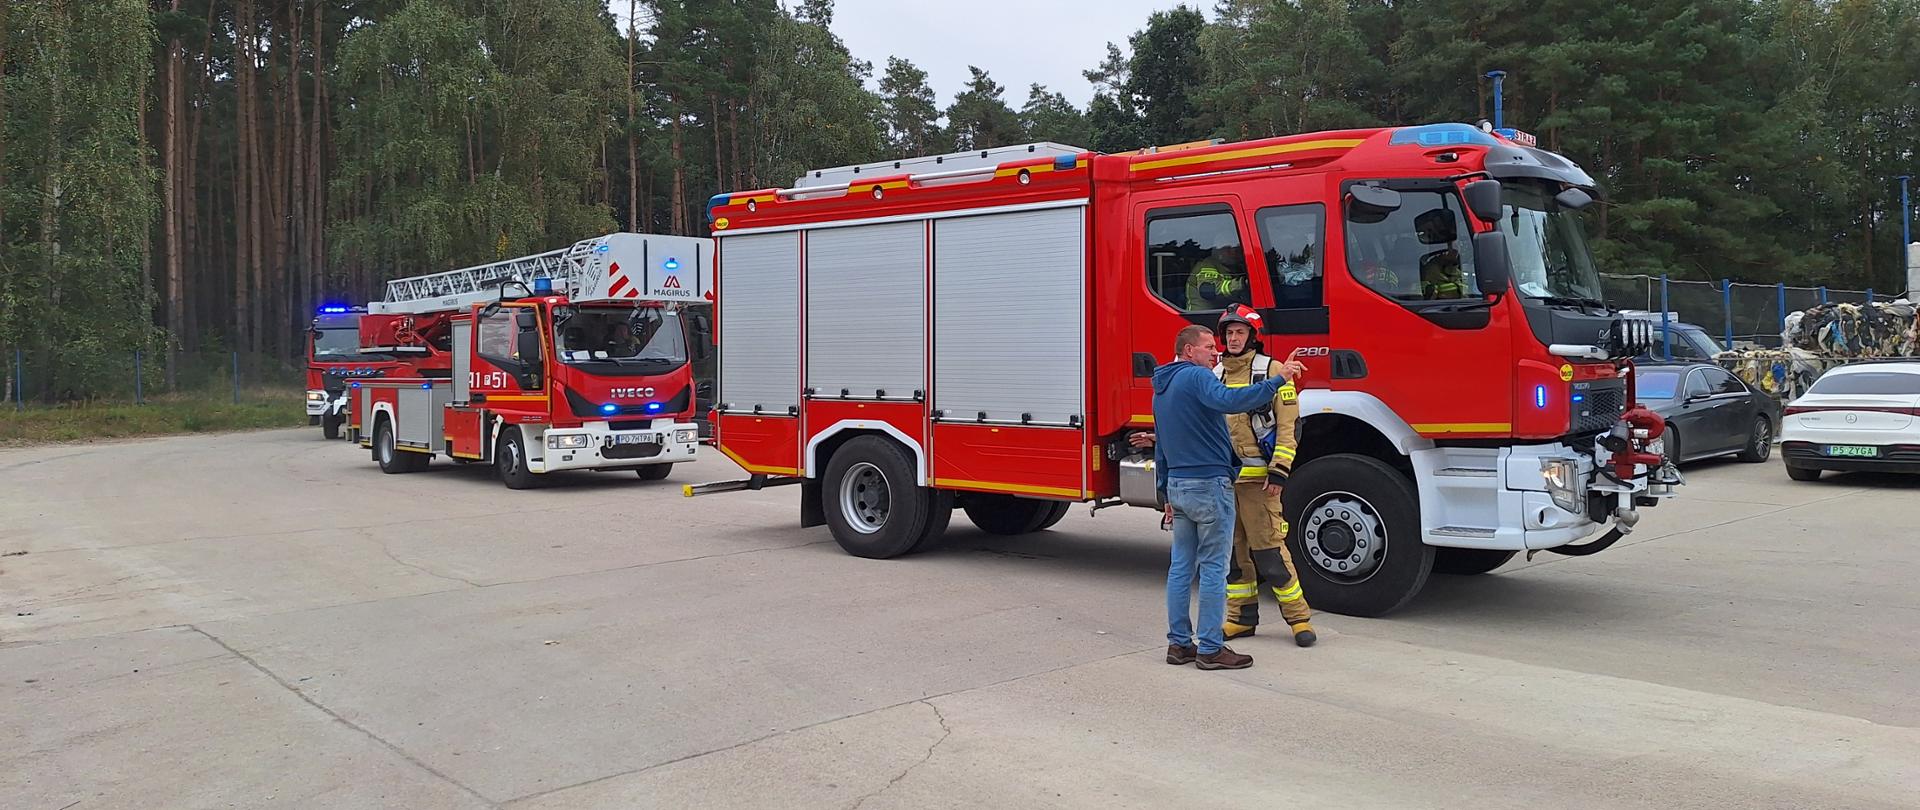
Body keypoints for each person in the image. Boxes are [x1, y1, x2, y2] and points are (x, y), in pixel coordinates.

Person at [1153, 324, 1295, 671]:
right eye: (1208, 347)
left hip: (1179, 486)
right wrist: (1278, 380)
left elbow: (1162, 445)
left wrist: (1165, 491)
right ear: (1189, 351)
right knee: (1214, 568)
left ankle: (1179, 644)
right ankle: (1211, 648)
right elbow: (1231, 401)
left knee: (1181, 568)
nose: (1216, 351)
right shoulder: (1197, 377)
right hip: (1209, 485)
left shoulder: (1161, 387)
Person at [1211, 305, 1317, 647]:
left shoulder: (1272, 371)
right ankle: (1240, 619)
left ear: (1252, 336)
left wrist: (1280, 472)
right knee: (1233, 556)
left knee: (1270, 553)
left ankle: (1299, 619)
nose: (1233, 338)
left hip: (1261, 484)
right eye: (1229, 332)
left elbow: (1289, 428)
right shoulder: (1215, 374)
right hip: (1225, 483)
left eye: (1240, 332)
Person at [1415, 209, 1466, 300]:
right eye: (1449, 240)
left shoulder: (1466, 265)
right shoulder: (1431, 270)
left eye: (1457, 239)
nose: (1455, 245)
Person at [1184, 246, 1249, 310]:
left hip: (1225, 312)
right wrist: (1241, 283)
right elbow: (1208, 290)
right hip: (1204, 314)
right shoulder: (1207, 265)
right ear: (1219, 251)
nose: (1234, 254)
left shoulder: (1234, 267)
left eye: (1237, 251)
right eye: (1228, 250)